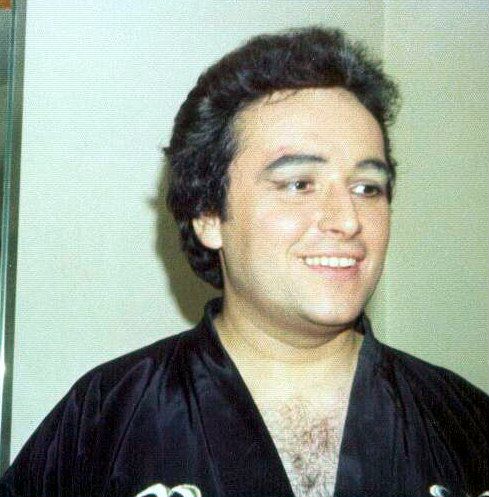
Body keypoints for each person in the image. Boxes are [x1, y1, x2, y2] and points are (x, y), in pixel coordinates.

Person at [1, 27, 488, 497]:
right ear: (208, 215)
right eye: (299, 184)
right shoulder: (105, 419)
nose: (348, 220)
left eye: (367, 188)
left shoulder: (465, 421)